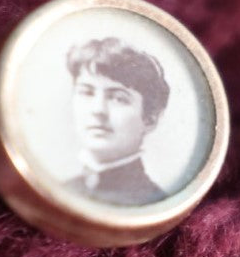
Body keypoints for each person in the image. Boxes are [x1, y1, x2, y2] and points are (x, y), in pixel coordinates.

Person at [64, 37, 170, 205]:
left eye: (118, 98)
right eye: (87, 93)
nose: (98, 110)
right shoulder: (62, 190)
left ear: (150, 119)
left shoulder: (151, 204)